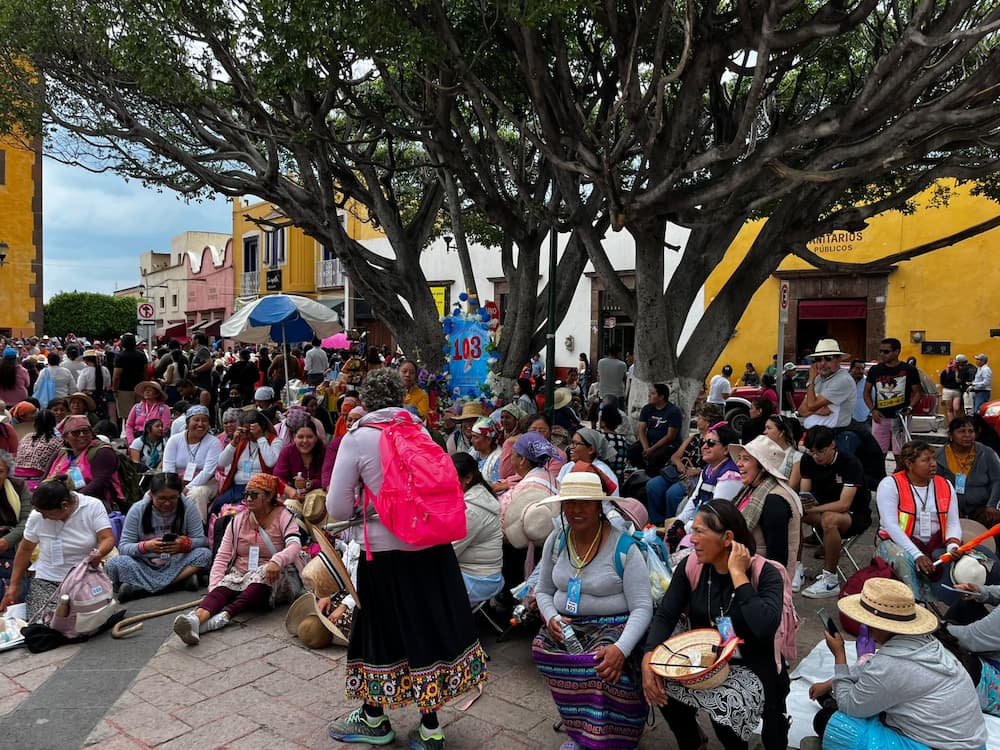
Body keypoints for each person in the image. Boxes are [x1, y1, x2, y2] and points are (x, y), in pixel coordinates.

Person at [325, 368, 487, 749]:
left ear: (366, 399)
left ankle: (374, 718)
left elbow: (336, 506)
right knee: (424, 628)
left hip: (385, 556)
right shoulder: (421, 431)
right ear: (402, 397)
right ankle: (430, 728)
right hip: (432, 548)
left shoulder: (358, 438)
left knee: (379, 632)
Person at [641, 499, 790, 750]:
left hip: (753, 665)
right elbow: (666, 614)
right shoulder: (693, 566)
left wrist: (739, 575)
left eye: (700, 531)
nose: (692, 539)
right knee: (659, 679)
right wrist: (648, 656)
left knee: (724, 709)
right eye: (693, 530)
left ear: (727, 537)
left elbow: (764, 626)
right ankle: (692, 741)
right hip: (708, 660)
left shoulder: (765, 574)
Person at [533, 473, 653, 750]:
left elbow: (643, 606)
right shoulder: (556, 541)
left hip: (615, 625)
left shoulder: (624, 547)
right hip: (567, 625)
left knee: (600, 663)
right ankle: (579, 731)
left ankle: (614, 737)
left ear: (599, 506)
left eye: (584, 503)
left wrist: (621, 648)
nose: (576, 510)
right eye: (570, 503)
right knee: (542, 648)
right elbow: (543, 590)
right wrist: (551, 617)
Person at [813, 578, 987, 750]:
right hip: (972, 743)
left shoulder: (891, 664)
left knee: (828, 721)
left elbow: (849, 706)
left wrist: (839, 655)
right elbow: (871, 668)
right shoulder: (927, 643)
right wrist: (830, 683)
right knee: (861, 700)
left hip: (936, 746)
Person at [173, 472, 302, 645]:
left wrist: (276, 561)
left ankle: (223, 617)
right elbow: (222, 556)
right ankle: (197, 620)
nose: (248, 499)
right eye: (246, 494)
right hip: (240, 573)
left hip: (274, 574)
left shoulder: (283, 516)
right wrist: (214, 588)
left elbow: (294, 546)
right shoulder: (238, 520)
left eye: (254, 495)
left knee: (261, 578)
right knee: (224, 586)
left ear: (269, 495)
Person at [0, 477, 115, 619]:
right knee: (42, 621)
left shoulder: (92, 506)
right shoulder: (37, 516)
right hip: (47, 580)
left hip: (84, 577)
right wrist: (14, 585)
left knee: (87, 617)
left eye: (48, 514)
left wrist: (99, 553)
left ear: (64, 505)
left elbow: (107, 538)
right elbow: (25, 549)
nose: (44, 517)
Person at [876, 440, 962, 601]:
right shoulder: (890, 484)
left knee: (965, 563)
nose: (933, 464)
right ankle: (916, 605)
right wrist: (917, 554)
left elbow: (953, 523)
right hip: (895, 543)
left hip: (935, 543)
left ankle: (959, 610)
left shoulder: (945, 484)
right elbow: (891, 526)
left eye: (933, 459)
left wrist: (953, 545)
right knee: (904, 559)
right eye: (926, 460)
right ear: (909, 464)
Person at [106, 472, 211, 600]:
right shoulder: (138, 509)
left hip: (175, 561)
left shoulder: (188, 507)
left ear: (180, 494)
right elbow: (123, 547)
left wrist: (184, 544)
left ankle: (142, 588)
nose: (167, 503)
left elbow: (202, 540)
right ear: (151, 495)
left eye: (173, 498)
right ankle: (178, 583)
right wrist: (145, 547)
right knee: (115, 563)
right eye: (162, 498)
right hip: (145, 564)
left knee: (204, 554)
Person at [797, 426, 871, 599]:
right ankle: (796, 566)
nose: (816, 457)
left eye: (820, 452)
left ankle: (830, 580)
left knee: (830, 520)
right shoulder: (808, 460)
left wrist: (813, 508)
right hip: (820, 508)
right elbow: (805, 493)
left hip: (854, 514)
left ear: (832, 445)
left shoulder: (850, 464)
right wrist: (803, 504)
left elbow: (844, 504)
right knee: (792, 512)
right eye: (812, 452)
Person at [729, 435, 802, 568]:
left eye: (746, 459)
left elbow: (777, 559)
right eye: (739, 458)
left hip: (758, 576)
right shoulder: (750, 489)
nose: (739, 463)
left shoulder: (775, 500)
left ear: (762, 467)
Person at [450, 453, 504, 605]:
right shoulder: (474, 496)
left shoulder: (473, 509)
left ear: (467, 478)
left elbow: (451, 550)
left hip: (480, 579)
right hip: (472, 572)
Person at [46, 415, 124, 512]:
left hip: (94, 506)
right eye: (76, 433)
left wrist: (70, 500)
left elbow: (99, 483)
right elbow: (45, 478)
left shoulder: (102, 452)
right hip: (59, 504)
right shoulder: (60, 453)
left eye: (85, 431)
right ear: (65, 437)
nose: (82, 435)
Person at [864, 337, 921, 466]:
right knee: (877, 453)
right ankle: (878, 481)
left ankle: (900, 481)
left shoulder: (909, 370)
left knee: (901, 454)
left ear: (897, 352)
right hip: (880, 417)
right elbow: (866, 392)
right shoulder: (875, 370)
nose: (882, 354)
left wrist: (910, 408)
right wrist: (872, 410)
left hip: (901, 418)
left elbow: (917, 392)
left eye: (886, 351)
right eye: (881, 351)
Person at [935, 415, 1000, 526]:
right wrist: (948, 508)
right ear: (951, 435)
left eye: (971, 431)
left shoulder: (986, 453)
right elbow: (936, 485)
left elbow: (997, 480)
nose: (967, 435)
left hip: (981, 507)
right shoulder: (939, 456)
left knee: (995, 521)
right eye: (962, 431)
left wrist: (991, 505)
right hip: (950, 507)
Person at [213, 410, 282, 514]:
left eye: (251, 430)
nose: (248, 434)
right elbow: (221, 463)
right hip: (238, 487)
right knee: (218, 504)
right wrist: (233, 443)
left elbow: (270, 462)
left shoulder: (274, 441)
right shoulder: (242, 441)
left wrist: (260, 437)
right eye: (246, 430)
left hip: (260, 488)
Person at [799, 338, 858, 454]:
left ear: (838, 359)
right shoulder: (820, 379)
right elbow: (802, 410)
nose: (822, 363)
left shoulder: (843, 380)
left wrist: (810, 380)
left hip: (833, 438)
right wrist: (816, 411)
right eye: (818, 359)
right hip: (815, 437)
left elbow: (810, 405)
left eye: (828, 358)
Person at [163, 405, 221, 521]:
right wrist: (175, 487)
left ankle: (198, 530)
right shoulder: (174, 440)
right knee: (152, 495)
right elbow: (168, 468)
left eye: (204, 420)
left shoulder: (214, 442)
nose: (200, 424)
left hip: (206, 482)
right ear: (188, 422)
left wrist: (187, 488)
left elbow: (208, 471)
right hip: (177, 481)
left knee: (196, 493)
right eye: (196, 420)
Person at [627, 383, 682, 475]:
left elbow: (670, 436)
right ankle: (641, 470)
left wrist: (652, 449)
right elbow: (641, 430)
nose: (649, 396)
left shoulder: (673, 411)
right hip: (650, 441)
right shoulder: (647, 409)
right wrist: (646, 448)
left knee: (657, 456)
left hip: (667, 444)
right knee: (632, 450)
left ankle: (653, 475)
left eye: (652, 394)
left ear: (661, 397)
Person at [0, 450, 32, 600]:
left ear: (7, 472)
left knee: (17, 592)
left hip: (13, 544)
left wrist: (8, 540)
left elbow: (28, 520)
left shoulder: (18, 487)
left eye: (0, 471)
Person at [557, 427, 620, 494]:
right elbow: (557, 489)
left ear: (590, 450)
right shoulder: (567, 467)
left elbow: (610, 500)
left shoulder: (603, 471)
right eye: (572, 443)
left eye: (576, 443)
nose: (571, 447)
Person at [13, 408, 63, 491]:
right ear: (53, 424)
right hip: (37, 483)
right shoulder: (58, 443)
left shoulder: (26, 437)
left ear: (34, 423)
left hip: (16, 481)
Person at [274, 421, 327, 494]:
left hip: (319, 496)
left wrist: (308, 484)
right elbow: (278, 478)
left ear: (316, 438)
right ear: (294, 438)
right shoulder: (287, 452)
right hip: (293, 496)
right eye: (300, 437)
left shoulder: (324, 451)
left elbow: (328, 478)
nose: (305, 441)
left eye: (310, 437)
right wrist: (290, 491)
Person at [112, 334, 148, 427]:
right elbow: (145, 372)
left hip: (124, 389)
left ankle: (129, 435)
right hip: (139, 388)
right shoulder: (141, 355)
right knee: (141, 414)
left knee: (128, 416)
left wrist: (114, 389)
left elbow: (117, 375)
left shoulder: (120, 356)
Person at [77, 350, 112, 420]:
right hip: (102, 396)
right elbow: (108, 384)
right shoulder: (104, 369)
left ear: (86, 360)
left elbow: (80, 387)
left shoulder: (85, 371)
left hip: (89, 398)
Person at [470, 416, 503, 486]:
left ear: (488, 440)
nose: (471, 440)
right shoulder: (473, 451)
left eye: (475, 437)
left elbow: (497, 486)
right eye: (472, 436)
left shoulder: (498, 458)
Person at [941, 359, 963, 425]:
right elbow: (942, 382)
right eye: (953, 365)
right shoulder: (945, 372)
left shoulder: (959, 372)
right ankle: (952, 425)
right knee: (949, 409)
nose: (954, 367)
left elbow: (959, 381)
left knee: (956, 409)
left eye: (956, 366)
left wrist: (956, 372)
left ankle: (957, 424)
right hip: (947, 390)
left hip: (956, 390)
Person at [849, 358, 871, 423]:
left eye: (862, 369)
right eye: (858, 368)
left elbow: (874, 399)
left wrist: (871, 415)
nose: (861, 371)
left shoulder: (868, 382)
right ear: (851, 369)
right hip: (845, 420)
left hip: (864, 419)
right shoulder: (844, 381)